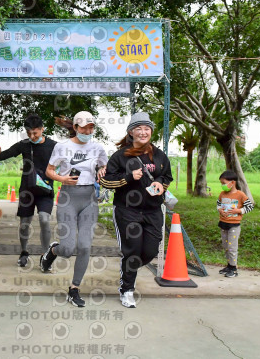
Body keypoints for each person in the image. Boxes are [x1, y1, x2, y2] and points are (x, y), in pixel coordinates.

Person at [99, 111, 173, 308]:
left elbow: (167, 176)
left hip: (152, 210)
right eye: (138, 128)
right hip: (127, 211)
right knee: (132, 250)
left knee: (150, 250)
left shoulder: (159, 155)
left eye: (147, 128)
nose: (143, 132)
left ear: (151, 132)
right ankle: (127, 290)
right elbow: (106, 181)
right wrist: (129, 177)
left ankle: (128, 268)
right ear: (131, 132)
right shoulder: (120, 156)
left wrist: (160, 183)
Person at [40, 111, 108, 307]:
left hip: (89, 199)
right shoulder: (62, 146)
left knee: (85, 246)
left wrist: (102, 171)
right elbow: (49, 171)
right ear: (76, 128)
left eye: (91, 128)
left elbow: (104, 167)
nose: (87, 131)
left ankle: (74, 289)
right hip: (68, 198)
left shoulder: (98, 148)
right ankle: (53, 251)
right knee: (68, 249)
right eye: (84, 128)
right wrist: (62, 178)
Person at [0, 114, 57, 267]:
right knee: (24, 224)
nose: (32, 136)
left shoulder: (54, 145)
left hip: (45, 190)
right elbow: (4, 155)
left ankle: (45, 255)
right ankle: (24, 252)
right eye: (29, 133)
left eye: (35, 133)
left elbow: (67, 159)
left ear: (42, 129)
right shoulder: (24, 144)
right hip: (27, 190)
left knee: (44, 219)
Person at [216, 170, 254, 278]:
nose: (222, 186)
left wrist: (239, 211)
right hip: (223, 223)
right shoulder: (222, 194)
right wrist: (220, 210)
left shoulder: (240, 195)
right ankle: (229, 265)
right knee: (226, 246)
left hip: (234, 225)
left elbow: (250, 206)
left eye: (224, 183)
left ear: (232, 182)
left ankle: (233, 268)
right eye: (221, 183)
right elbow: (218, 204)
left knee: (232, 247)